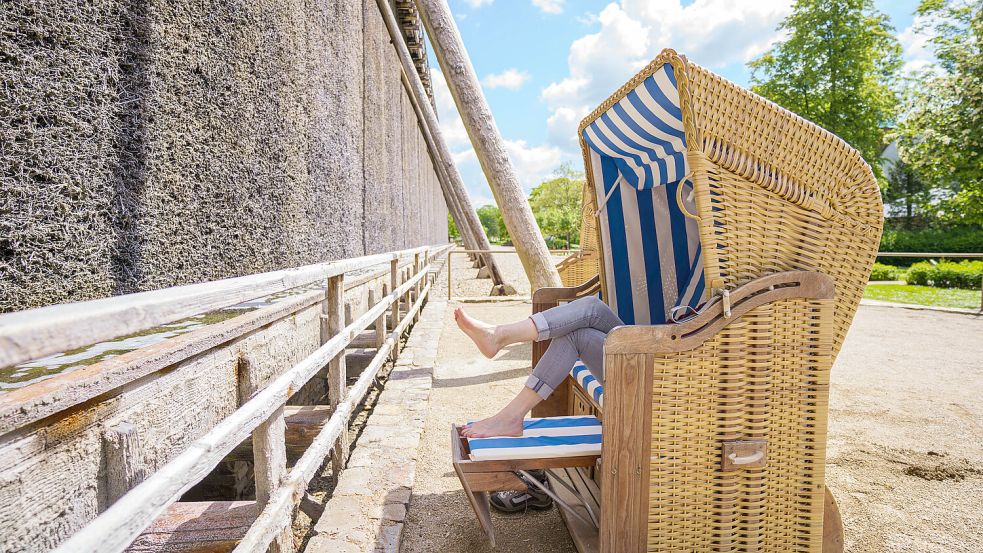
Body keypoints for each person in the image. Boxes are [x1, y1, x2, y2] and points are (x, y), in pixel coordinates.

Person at [455, 295, 621, 438]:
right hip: (640, 347)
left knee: (589, 312)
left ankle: (499, 336)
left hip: (645, 367)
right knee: (588, 314)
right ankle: (511, 415)